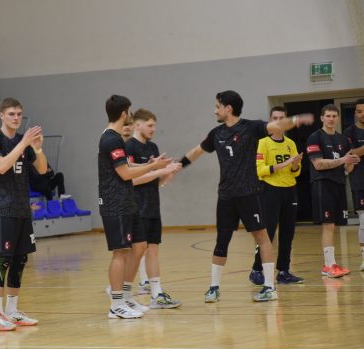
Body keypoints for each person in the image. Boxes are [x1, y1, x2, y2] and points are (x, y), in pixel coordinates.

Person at [179, 90, 313, 302]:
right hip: (226, 196)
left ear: (228, 108)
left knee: (263, 238)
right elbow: (197, 151)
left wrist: (296, 119)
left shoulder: (251, 128)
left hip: (249, 194)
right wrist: (177, 166)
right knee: (221, 241)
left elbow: (276, 126)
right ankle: (213, 288)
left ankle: (269, 287)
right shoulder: (216, 133)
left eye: (217, 106)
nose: (215, 110)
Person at [98, 95, 171, 319]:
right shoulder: (110, 139)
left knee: (139, 246)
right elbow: (125, 173)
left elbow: (127, 164)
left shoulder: (117, 138)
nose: (130, 115)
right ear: (124, 114)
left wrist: (150, 164)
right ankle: (116, 303)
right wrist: (154, 168)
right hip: (114, 203)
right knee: (120, 252)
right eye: (129, 111)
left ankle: (128, 296)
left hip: (128, 202)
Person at [0, 97, 48, 331]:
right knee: (3, 260)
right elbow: (1, 166)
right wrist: (23, 143)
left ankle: (12, 310)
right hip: (3, 209)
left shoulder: (24, 141)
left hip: (22, 208)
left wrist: (37, 148)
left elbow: (42, 169)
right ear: (2, 115)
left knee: (20, 259)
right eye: (11, 114)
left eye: (19, 114)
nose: (16, 118)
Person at [124, 108, 182, 308]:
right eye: (150, 125)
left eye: (154, 125)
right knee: (136, 252)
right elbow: (132, 180)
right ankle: (123, 293)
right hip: (136, 208)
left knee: (153, 251)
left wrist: (169, 173)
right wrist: (158, 171)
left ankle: (157, 294)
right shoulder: (129, 147)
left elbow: (157, 181)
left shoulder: (153, 147)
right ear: (138, 125)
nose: (153, 129)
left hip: (152, 207)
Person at [249, 106, 304, 285]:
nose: (278, 121)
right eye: (275, 118)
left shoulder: (290, 144)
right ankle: (256, 270)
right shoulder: (263, 142)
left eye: (282, 118)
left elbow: (296, 171)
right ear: (271, 120)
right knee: (268, 233)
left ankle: (284, 271)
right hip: (270, 190)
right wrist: (283, 164)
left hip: (290, 190)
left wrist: (294, 164)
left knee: (288, 233)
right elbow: (260, 170)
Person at [306, 104, 359, 278]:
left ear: (338, 118)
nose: (331, 119)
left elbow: (347, 169)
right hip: (322, 184)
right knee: (328, 225)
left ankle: (330, 264)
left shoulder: (343, 139)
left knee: (334, 225)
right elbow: (318, 164)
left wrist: (351, 162)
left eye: (334, 116)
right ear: (322, 118)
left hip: (339, 184)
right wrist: (343, 160)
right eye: (328, 116)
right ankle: (329, 265)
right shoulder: (315, 137)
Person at [344, 99, 364, 270]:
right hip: (359, 181)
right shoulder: (349, 132)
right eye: (359, 111)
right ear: (355, 113)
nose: (362, 114)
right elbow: (352, 153)